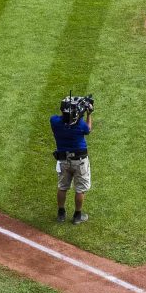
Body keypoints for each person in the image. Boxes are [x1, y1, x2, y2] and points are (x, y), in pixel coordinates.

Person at [50, 96, 92, 225]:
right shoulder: (80, 125)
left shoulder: (54, 121)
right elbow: (88, 129)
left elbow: (62, 116)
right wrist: (89, 114)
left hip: (63, 160)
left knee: (62, 187)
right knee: (80, 189)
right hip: (79, 161)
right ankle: (77, 216)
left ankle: (61, 214)